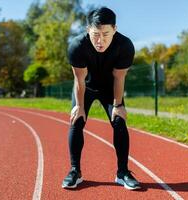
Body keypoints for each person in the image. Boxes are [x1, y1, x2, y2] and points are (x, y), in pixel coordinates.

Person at [62, 7, 141, 190]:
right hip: (86, 86)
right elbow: (79, 79)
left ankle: (123, 172)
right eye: (96, 34)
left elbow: (119, 77)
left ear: (115, 28)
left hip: (110, 87)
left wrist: (118, 105)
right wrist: (79, 106)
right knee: (76, 120)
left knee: (119, 120)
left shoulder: (125, 46)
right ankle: (75, 171)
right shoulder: (77, 46)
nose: (100, 40)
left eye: (106, 34)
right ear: (88, 29)